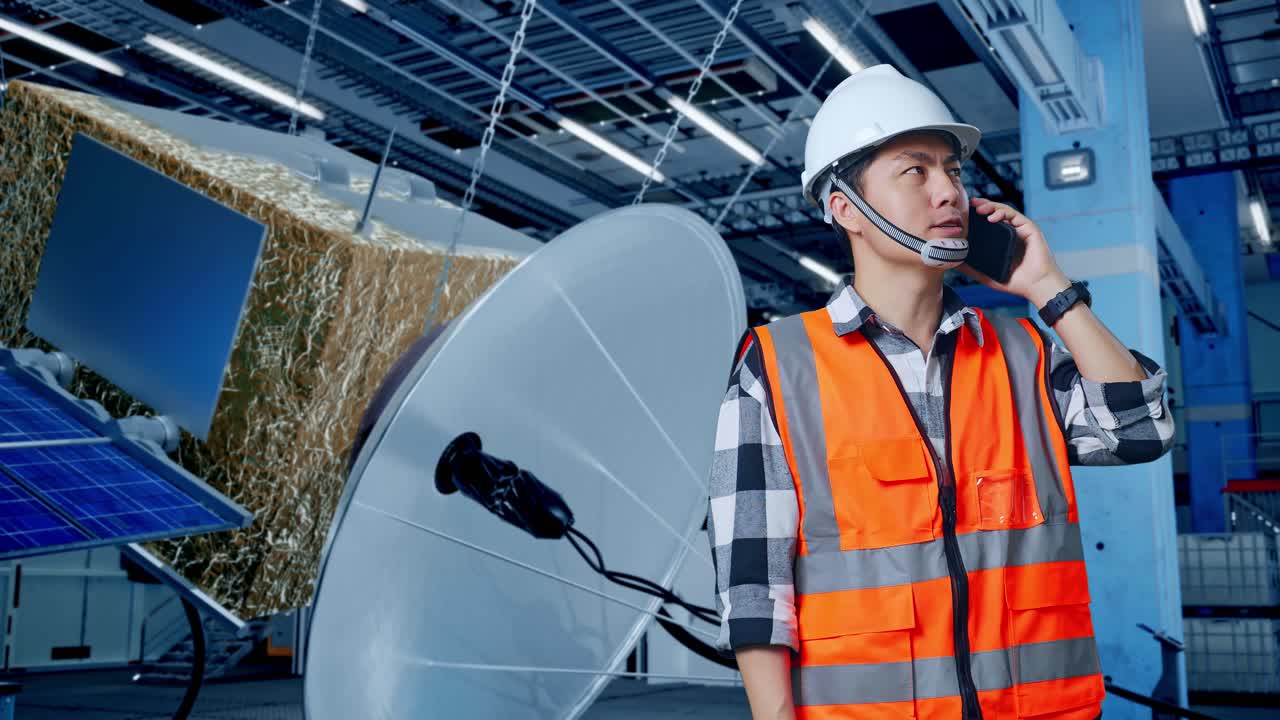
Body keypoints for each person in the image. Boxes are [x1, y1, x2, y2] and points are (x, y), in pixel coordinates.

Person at [705, 64, 1174, 720]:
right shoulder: (779, 366)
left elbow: (1142, 431)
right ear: (845, 208)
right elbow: (754, 585)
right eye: (915, 171)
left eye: (952, 171)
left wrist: (1049, 288)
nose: (949, 191)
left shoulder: (1021, 352)